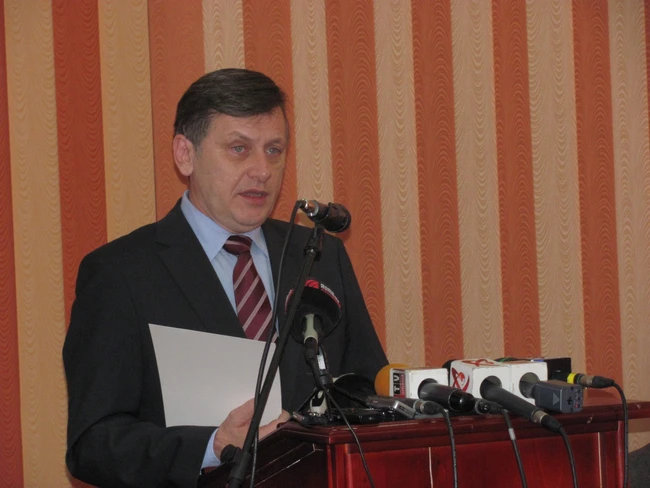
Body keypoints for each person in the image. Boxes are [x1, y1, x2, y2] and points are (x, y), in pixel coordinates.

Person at [63, 68, 388, 487]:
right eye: (239, 149)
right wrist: (211, 446)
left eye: (274, 150)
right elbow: (93, 443)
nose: (262, 170)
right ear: (185, 154)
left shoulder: (320, 256)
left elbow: (368, 392)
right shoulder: (120, 273)